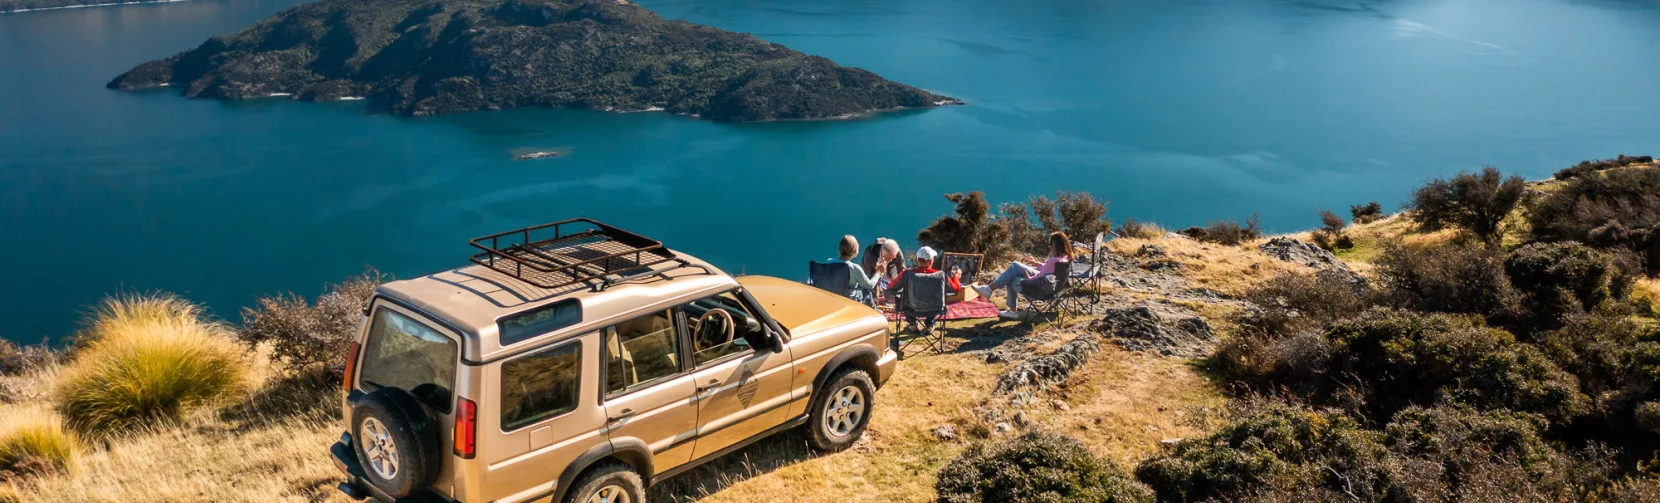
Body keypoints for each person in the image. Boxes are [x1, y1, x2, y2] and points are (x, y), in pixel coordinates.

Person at [975, 231, 1073, 320]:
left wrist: (1029, 278)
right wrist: (1036, 264)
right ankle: (988, 290)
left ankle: (1009, 308)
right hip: (1054, 287)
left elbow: (1041, 279)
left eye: (1050, 244)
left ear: (1056, 246)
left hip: (1040, 289)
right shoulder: (1066, 258)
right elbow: (1048, 271)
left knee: (1011, 278)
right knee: (1015, 266)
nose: (1049, 246)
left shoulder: (1053, 261)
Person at [887, 246, 962, 334]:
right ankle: (930, 323)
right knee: (935, 300)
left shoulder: (907, 274)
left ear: (917, 260)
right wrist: (956, 277)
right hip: (935, 309)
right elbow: (956, 289)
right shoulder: (940, 275)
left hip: (911, 310)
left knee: (902, 299)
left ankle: (913, 323)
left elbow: (891, 287)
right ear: (931, 261)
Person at [862, 238, 906, 302]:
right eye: (888, 258)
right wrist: (874, 295)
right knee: (872, 298)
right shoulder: (870, 254)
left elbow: (902, 272)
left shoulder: (897, 252)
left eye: (892, 258)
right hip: (873, 274)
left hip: (890, 273)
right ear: (881, 251)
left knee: (892, 298)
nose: (890, 260)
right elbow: (866, 278)